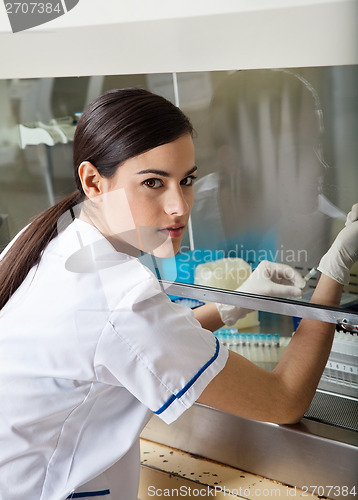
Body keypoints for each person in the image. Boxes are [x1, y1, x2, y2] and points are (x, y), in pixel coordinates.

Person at [0, 88, 357, 500]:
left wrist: (227, 306)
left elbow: (121, 344)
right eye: (153, 182)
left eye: (186, 180)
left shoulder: (46, 238)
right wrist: (334, 268)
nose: (178, 207)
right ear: (93, 181)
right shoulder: (121, 298)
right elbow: (284, 400)